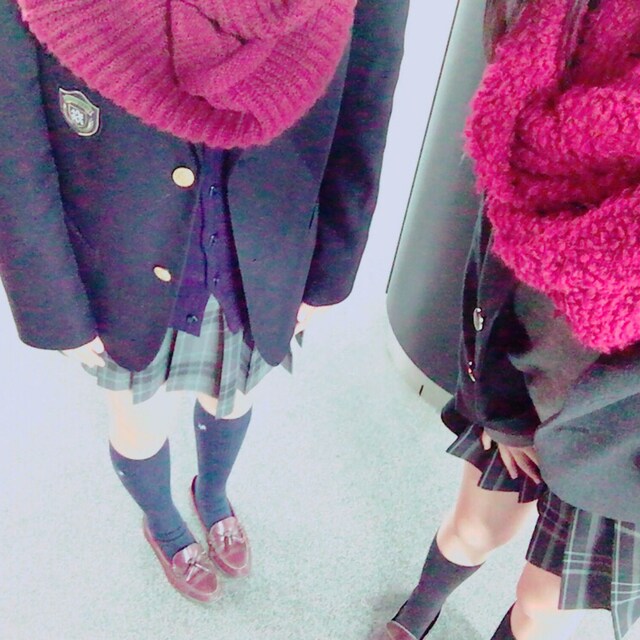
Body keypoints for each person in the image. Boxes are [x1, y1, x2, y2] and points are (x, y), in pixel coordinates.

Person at [0, 0, 409, 602]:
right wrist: (54, 306)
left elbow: (367, 103)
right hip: (121, 261)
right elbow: (13, 144)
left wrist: (332, 271)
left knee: (233, 395)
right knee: (137, 419)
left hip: (261, 248)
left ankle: (212, 495)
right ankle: (163, 523)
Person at [373, 0, 640, 639]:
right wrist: (497, 407)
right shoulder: (561, 34)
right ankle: (420, 610)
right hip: (523, 381)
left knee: (541, 605)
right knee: (472, 529)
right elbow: (492, 249)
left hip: (625, 449)